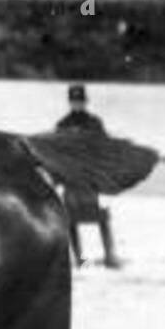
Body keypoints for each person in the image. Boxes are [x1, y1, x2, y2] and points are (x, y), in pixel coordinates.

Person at [57, 84, 120, 268]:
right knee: (71, 218)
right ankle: (79, 258)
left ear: (86, 102)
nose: (78, 105)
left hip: (89, 177)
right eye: (75, 101)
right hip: (71, 178)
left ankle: (109, 255)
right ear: (70, 102)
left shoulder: (95, 123)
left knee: (97, 215)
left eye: (81, 101)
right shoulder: (63, 124)